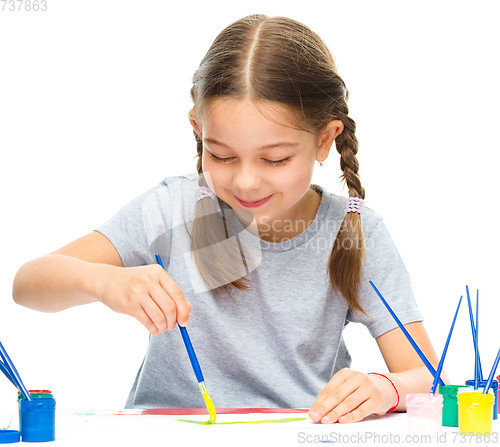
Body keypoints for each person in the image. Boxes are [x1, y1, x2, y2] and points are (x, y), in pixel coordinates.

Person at [12, 14, 445, 424]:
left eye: (275, 159)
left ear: (325, 139)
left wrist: (385, 388)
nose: (246, 182)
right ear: (198, 130)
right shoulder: (171, 208)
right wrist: (104, 283)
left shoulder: (356, 232)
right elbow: (28, 285)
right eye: (220, 155)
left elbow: (427, 379)